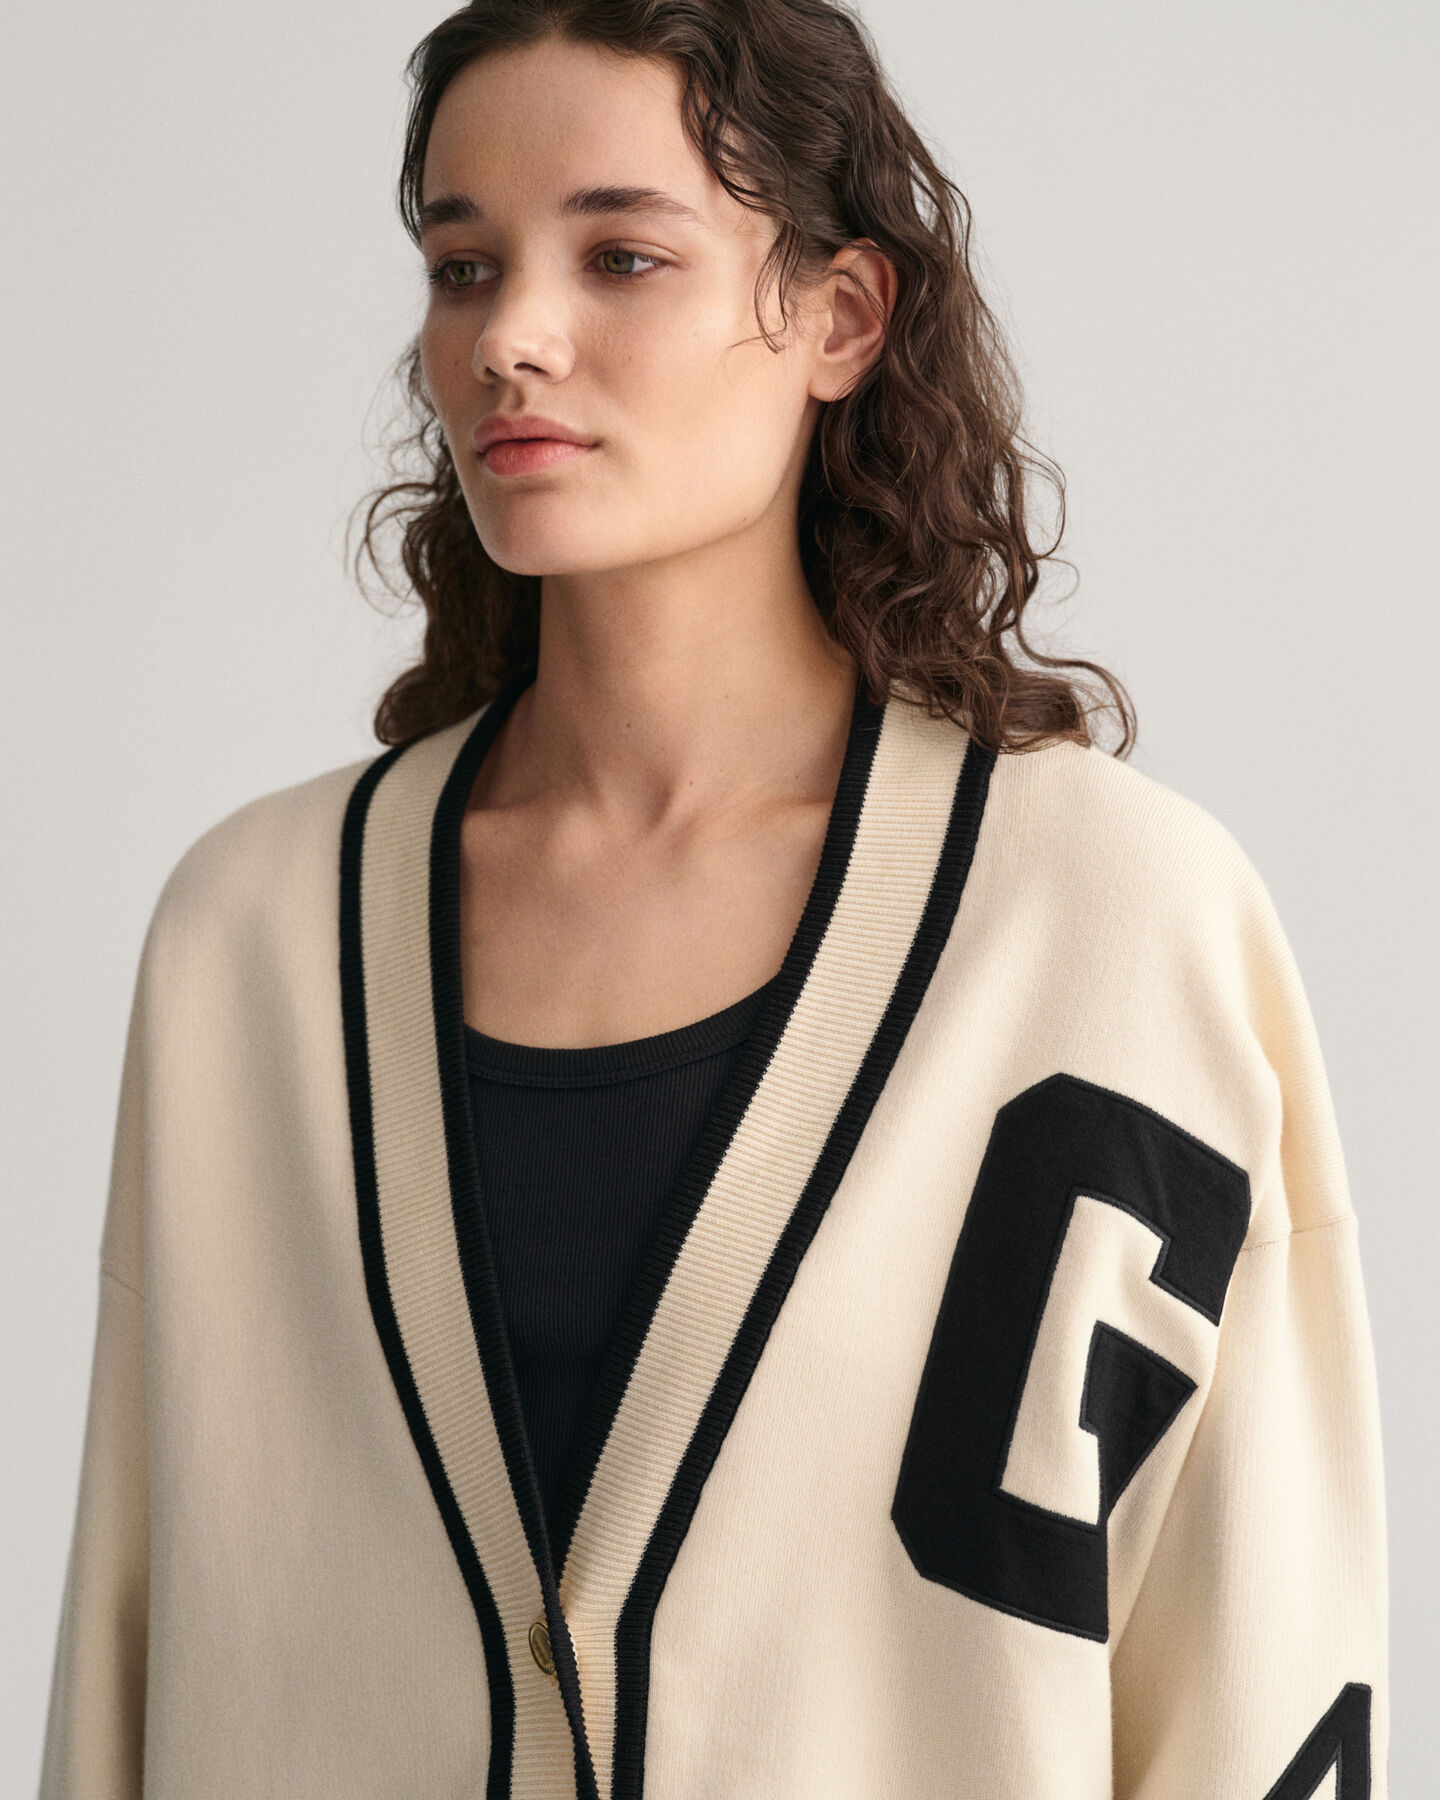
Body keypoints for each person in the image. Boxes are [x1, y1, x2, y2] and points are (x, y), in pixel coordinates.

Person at [39, 1, 1388, 1796]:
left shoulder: (1113, 929)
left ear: (841, 316)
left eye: (620, 257)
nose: (511, 339)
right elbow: (128, 1659)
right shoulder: (251, 949)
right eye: (462, 266)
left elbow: (1265, 1672)